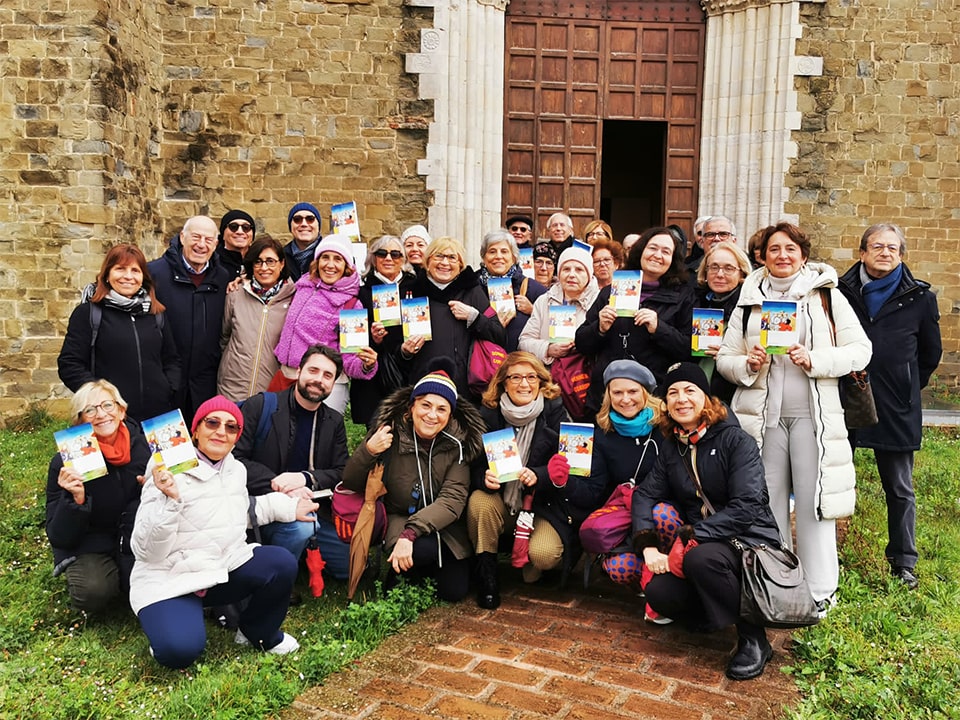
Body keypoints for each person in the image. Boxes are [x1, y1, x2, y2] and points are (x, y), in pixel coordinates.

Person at [716, 222, 872, 608]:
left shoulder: (827, 297)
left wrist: (815, 358)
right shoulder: (749, 299)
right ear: (761, 256)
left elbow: (860, 350)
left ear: (803, 254)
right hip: (762, 418)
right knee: (765, 503)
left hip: (812, 418)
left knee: (813, 502)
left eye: (790, 249)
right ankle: (778, 582)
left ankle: (820, 592)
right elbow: (724, 360)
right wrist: (748, 364)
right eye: (774, 250)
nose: (782, 256)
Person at [131, 395, 312, 668]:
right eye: (212, 422)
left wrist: (288, 507)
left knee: (280, 563)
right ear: (195, 431)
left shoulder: (236, 470)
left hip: (220, 567)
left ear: (237, 437)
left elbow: (238, 510)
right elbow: (146, 550)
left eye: (231, 427)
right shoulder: (165, 471)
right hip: (170, 577)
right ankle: (170, 628)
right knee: (179, 651)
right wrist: (170, 500)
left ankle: (258, 633)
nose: (221, 432)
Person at [633, 362, 784, 681]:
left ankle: (753, 638)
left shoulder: (736, 442)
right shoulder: (672, 448)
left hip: (748, 539)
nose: (681, 399)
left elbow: (747, 506)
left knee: (701, 558)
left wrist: (690, 536)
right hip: (705, 543)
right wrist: (647, 546)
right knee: (659, 592)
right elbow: (644, 495)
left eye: (690, 390)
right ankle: (710, 613)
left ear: (707, 399)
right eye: (672, 393)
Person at [838, 223, 942, 589]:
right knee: (831, 478)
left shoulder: (920, 299)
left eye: (893, 248)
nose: (885, 252)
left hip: (895, 404)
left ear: (901, 254)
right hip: (844, 398)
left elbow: (930, 355)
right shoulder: (838, 291)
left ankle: (903, 561)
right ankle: (825, 552)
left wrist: (905, 384)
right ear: (862, 252)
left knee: (899, 488)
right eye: (877, 246)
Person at [341, 364, 485, 601]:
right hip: (399, 515)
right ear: (412, 406)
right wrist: (368, 451)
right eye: (425, 405)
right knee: (422, 549)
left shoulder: (458, 445)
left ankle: (418, 566)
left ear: (450, 415)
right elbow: (352, 482)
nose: (431, 415)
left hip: (443, 526)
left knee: (454, 591)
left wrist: (411, 533)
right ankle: (403, 570)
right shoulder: (387, 433)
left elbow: (452, 501)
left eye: (441, 409)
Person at [234, 345, 351, 580]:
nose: (318, 380)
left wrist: (306, 479)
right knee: (303, 528)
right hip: (261, 503)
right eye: (313, 371)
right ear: (298, 371)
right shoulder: (261, 406)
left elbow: (341, 471)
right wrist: (278, 483)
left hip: (311, 505)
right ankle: (275, 578)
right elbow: (235, 459)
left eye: (327, 376)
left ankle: (296, 553)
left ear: (333, 383)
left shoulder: (333, 421)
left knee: (349, 564)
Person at [468, 351, 568, 608]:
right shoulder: (488, 414)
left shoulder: (555, 410)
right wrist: (483, 477)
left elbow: (569, 466)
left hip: (540, 506)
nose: (524, 384)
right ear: (503, 382)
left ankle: (533, 562)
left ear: (541, 381)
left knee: (544, 554)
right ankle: (487, 578)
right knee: (480, 502)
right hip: (502, 499)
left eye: (531, 377)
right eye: (515, 377)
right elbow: (472, 465)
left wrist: (540, 475)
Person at [45, 380, 151, 613]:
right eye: (90, 410)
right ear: (80, 421)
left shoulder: (148, 448)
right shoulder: (65, 463)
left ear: (121, 411)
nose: (101, 414)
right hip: (91, 542)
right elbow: (58, 536)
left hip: (136, 536)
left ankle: (128, 576)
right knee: (92, 591)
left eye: (107, 405)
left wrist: (152, 489)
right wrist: (76, 500)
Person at [577, 226, 696, 417]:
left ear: (673, 259)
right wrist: (599, 328)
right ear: (641, 251)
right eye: (652, 248)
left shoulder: (684, 296)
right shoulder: (610, 291)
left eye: (666, 251)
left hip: (654, 397)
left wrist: (659, 328)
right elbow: (582, 343)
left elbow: (690, 349)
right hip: (607, 396)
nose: (657, 255)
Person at [58, 243, 180, 422]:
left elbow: (171, 359)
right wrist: (100, 398)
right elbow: (69, 364)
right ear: (107, 274)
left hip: (158, 415)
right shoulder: (89, 313)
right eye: (120, 269)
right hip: (108, 417)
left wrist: (168, 388)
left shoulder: (156, 313)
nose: (128, 276)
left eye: (135, 270)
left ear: (143, 277)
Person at [272, 233, 378, 414]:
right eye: (325, 258)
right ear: (317, 262)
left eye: (338, 259)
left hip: (322, 384)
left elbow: (351, 358)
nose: (330, 265)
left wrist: (366, 365)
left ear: (347, 266)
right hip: (286, 376)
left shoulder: (351, 305)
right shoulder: (303, 286)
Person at [582, 361, 662, 588]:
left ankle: (666, 582)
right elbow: (593, 492)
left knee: (662, 513)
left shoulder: (664, 427)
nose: (625, 399)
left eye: (633, 391)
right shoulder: (602, 434)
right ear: (608, 396)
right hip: (625, 517)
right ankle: (650, 580)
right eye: (617, 392)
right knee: (620, 568)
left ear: (646, 393)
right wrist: (562, 480)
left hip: (663, 513)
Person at [400, 237, 507, 399]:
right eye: (439, 256)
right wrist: (404, 352)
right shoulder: (411, 292)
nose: (445, 263)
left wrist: (474, 317)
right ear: (427, 262)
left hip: (463, 386)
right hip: (421, 381)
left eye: (452, 258)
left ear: (460, 265)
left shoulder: (472, 291)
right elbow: (394, 344)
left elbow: (499, 334)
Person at [148, 215, 232, 423]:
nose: (201, 245)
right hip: (163, 378)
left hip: (204, 382)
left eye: (208, 239)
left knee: (201, 443)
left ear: (216, 244)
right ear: (182, 237)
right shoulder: (154, 273)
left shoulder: (222, 278)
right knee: (166, 446)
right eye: (196, 237)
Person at [519, 246, 600, 420]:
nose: (571, 274)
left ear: (589, 275)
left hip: (584, 383)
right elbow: (524, 341)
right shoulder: (544, 301)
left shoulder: (599, 302)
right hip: (549, 383)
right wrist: (548, 349)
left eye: (579, 270)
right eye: (566, 269)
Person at [217, 234, 295, 402]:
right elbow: (225, 336)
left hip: (272, 388)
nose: (263, 267)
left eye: (270, 261)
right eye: (258, 261)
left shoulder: (294, 298)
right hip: (233, 386)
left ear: (281, 263)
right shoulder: (236, 293)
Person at [351, 235, 418, 426]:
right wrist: (373, 340)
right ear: (373, 258)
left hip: (408, 369)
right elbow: (353, 335)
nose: (388, 258)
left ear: (403, 260)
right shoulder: (361, 292)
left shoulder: (415, 287)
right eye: (382, 253)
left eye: (395, 254)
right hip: (374, 376)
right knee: (376, 431)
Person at [694, 240, 752, 404]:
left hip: (733, 395)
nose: (719, 274)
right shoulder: (693, 303)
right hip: (698, 394)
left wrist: (729, 355)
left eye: (728, 268)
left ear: (742, 274)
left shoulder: (750, 307)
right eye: (713, 267)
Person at [476, 229, 547, 352]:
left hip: (521, 365)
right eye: (492, 251)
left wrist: (533, 311)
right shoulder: (472, 287)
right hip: (483, 364)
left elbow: (554, 330)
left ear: (514, 257)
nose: (498, 256)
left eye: (504, 251)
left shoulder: (533, 288)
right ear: (484, 257)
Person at [282, 202, 322, 281]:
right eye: (297, 219)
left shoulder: (330, 254)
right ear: (291, 226)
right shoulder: (280, 256)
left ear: (318, 225)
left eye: (310, 219)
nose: (304, 224)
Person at [217, 209, 256, 279]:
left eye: (246, 227)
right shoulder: (212, 261)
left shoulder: (259, 259)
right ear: (223, 233)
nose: (240, 232)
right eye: (233, 227)